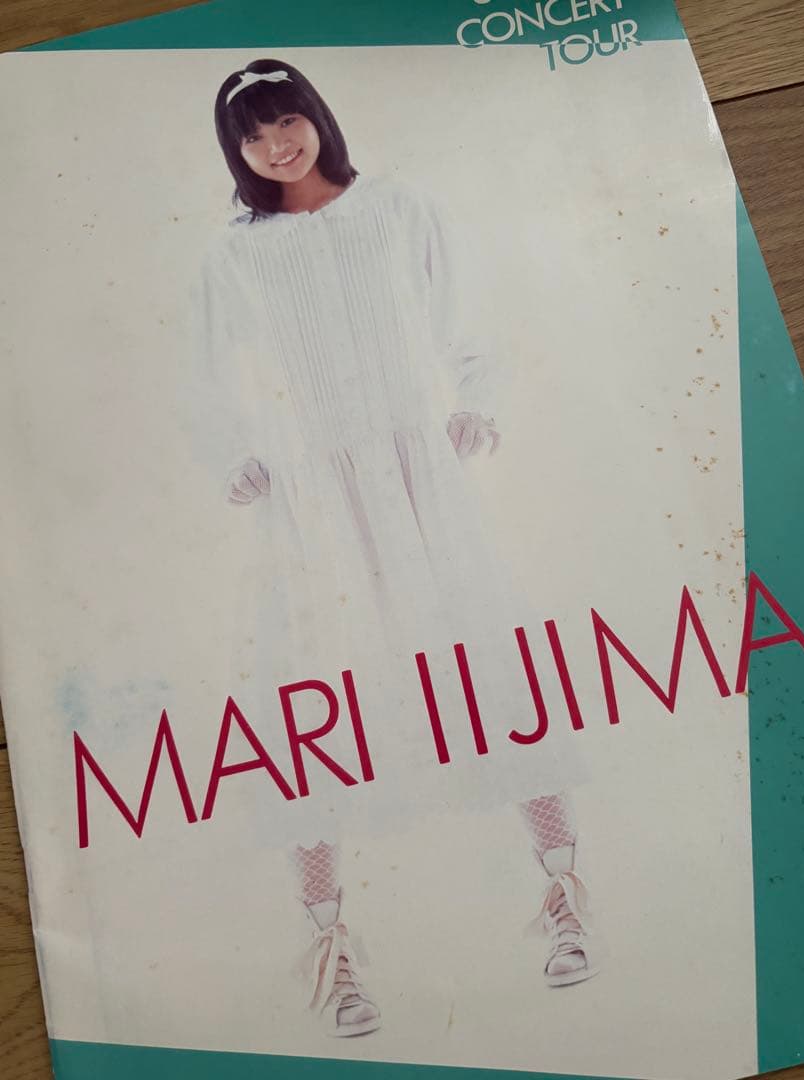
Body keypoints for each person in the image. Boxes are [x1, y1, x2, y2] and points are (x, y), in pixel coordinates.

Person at [200, 58, 599, 1038]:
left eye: (287, 121)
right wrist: (234, 455)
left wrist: (476, 402)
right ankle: (333, 950)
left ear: (316, 118)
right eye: (253, 134)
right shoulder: (235, 253)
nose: (275, 144)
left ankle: (565, 895)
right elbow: (211, 369)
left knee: (483, 671)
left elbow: (465, 310)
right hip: (311, 498)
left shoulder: (396, 207)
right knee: (313, 703)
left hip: (418, 476)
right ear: (236, 151)